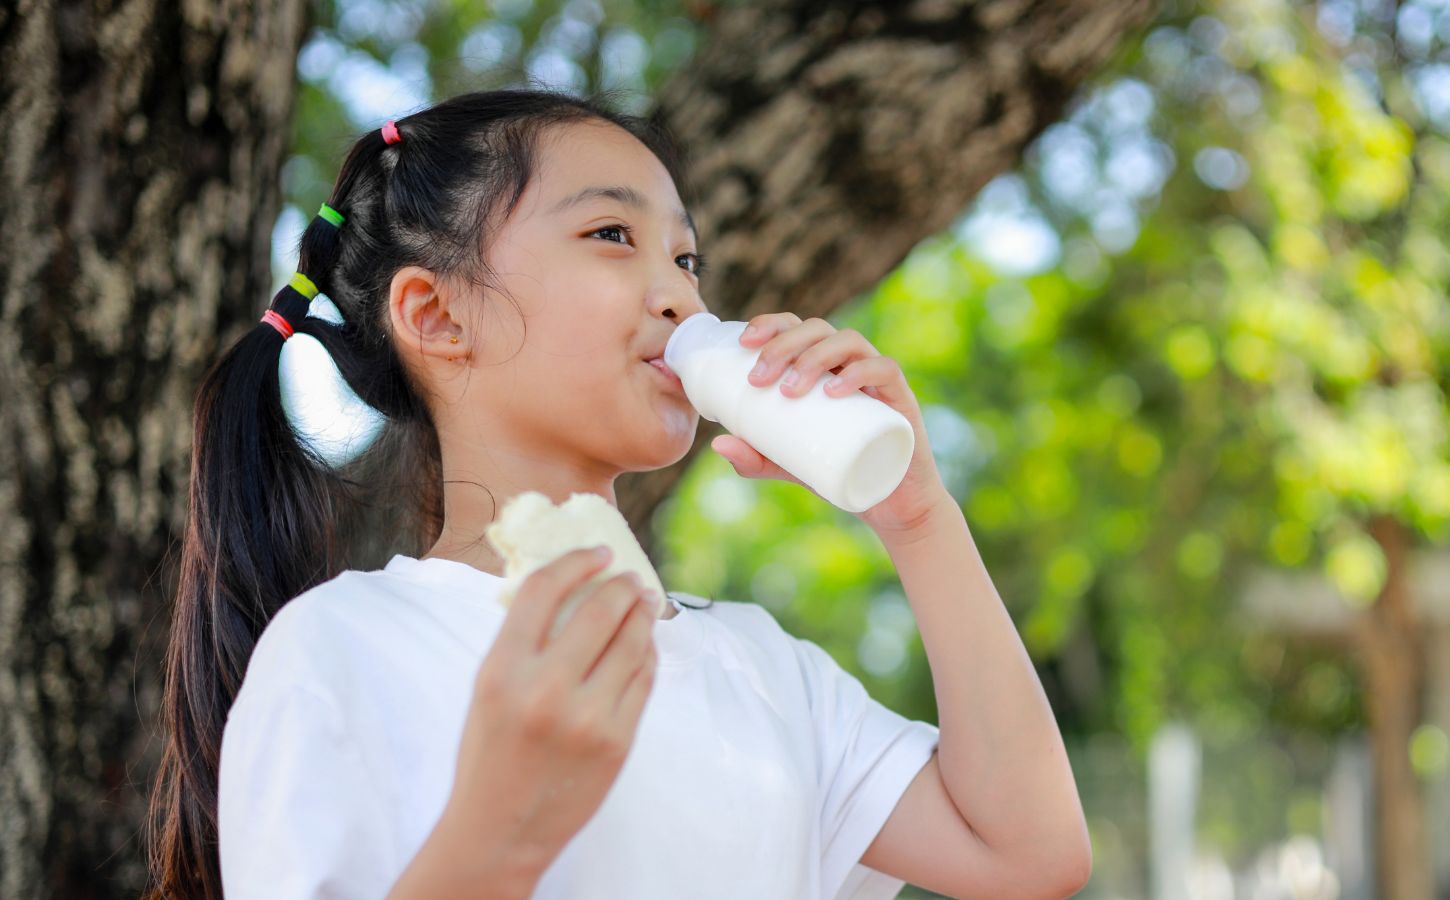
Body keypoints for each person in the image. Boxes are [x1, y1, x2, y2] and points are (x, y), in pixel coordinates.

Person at [143, 86, 940, 900]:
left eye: (685, 258)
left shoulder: (760, 662)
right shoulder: (342, 648)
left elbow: (1023, 849)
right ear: (437, 315)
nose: (683, 297)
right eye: (611, 234)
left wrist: (916, 515)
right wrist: (500, 830)